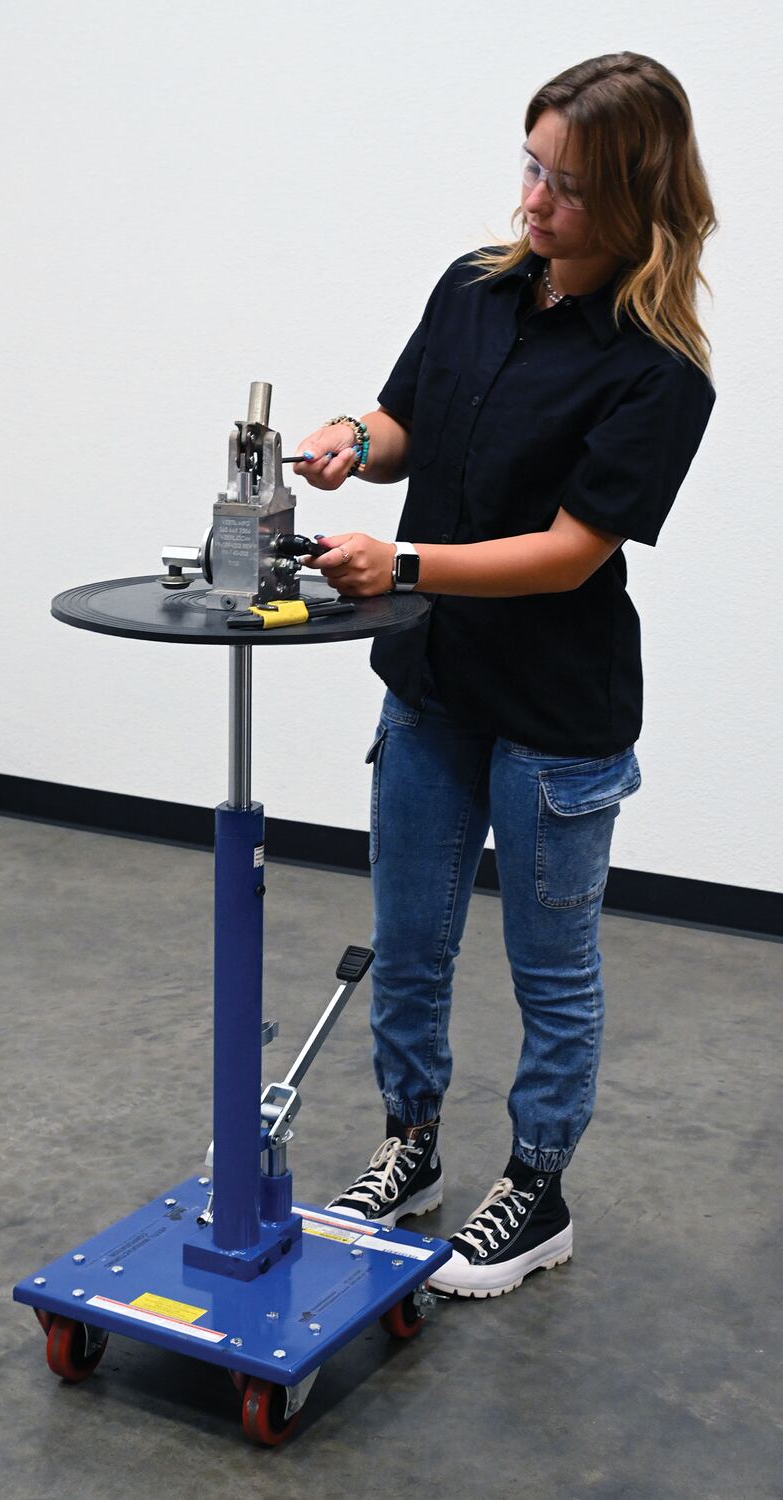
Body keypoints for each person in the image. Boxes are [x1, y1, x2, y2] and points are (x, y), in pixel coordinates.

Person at [292, 52, 716, 1299]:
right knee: (408, 944)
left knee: (551, 968)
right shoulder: (473, 289)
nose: (534, 202)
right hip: (432, 686)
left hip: (555, 716)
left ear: (636, 199)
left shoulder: (658, 371)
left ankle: (537, 1189)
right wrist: (350, 438)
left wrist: (404, 563)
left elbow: (572, 552)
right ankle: (409, 1148)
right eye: (531, 167)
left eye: (569, 187)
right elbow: (405, 423)